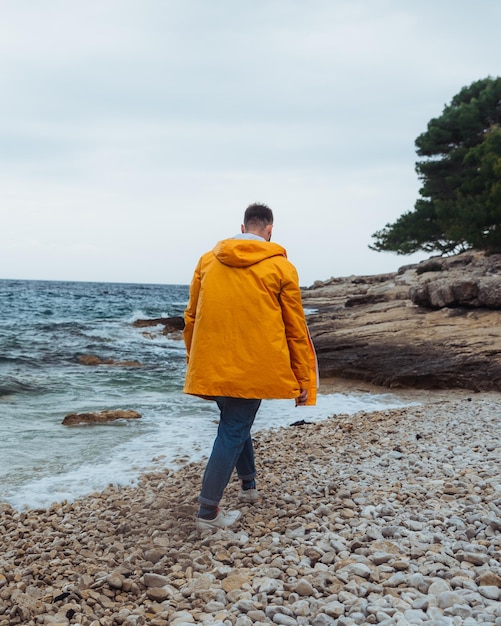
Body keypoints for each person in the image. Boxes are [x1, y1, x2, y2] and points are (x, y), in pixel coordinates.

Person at [183, 203, 317, 532]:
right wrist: (303, 379)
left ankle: (249, 486)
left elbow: (190, 317)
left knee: (234, 423)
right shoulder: (282, 268)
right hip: (254, 365)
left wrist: (195, 362)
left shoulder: (207, 260)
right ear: (270, 231)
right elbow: (295, 328)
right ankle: (208, 513)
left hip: (212, 362)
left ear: (242, 228)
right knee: (233, 428)